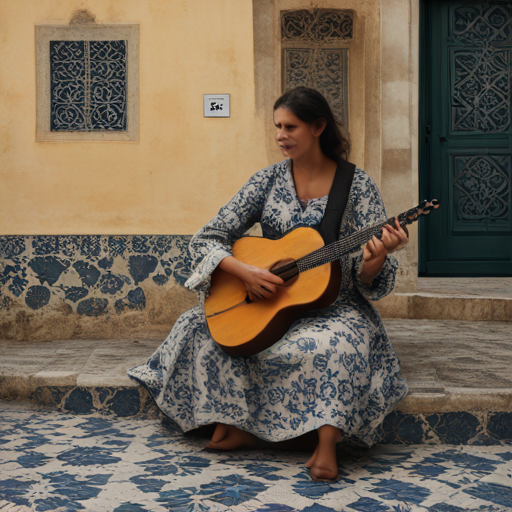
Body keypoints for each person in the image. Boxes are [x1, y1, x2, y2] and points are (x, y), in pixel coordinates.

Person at [128, 86, 409, 481]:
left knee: (337, 344)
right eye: (276, 126)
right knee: (197, 327)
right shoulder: (267, 181)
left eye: (290, 127)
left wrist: (375, 258)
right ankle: (238, 425)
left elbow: (371, 282)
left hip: (334, 305)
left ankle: (326, 443)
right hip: (267, 301)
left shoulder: (356, 185)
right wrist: (245, 272)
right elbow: (209, 236)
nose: (280, 135)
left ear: (318, 127)